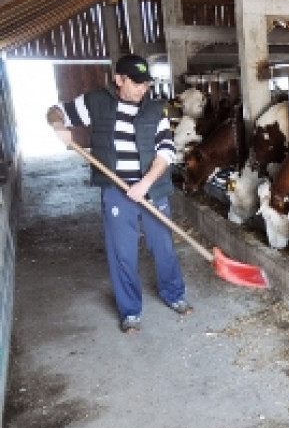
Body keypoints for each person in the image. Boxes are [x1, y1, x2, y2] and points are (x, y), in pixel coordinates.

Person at [47, 54, 192, 334]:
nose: (142, 89)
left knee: (162, 245)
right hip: (116, 190)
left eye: (146, 84)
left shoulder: (154, 110)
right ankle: (130, 311)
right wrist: (58, 126)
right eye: (136, 84)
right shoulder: (95, 103)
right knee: (122, 252)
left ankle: (174, 294)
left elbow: (166, 151)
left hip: (152, 188)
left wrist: (145, 184)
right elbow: (55, 111)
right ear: (119, 80)